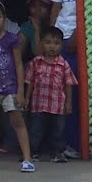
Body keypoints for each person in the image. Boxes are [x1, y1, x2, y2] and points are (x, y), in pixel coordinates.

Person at [48, 0, 82, 158]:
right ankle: (63, 143)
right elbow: (56, 6)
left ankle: (77, 144)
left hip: (76, 37)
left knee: (74, 93)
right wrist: (50, 38)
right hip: (60, 37)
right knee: (58, 92)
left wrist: (79, 33)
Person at [0, 0, 36, 172]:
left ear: (5, 18)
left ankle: (27, 159)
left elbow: (19, 65)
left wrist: (20, 90)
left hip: (10, 88)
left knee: (17, 120)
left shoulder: (11, 40)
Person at [24, 25, 77, 164]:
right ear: (41, 43)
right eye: (47, 43)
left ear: (61, 45)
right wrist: (27, 98)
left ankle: (57, 153)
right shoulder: (35, 63)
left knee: (57, 131)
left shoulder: (63, 64)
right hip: (38, 104)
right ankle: (33, 152)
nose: (51, 47)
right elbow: (30, 81)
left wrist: (69, 103)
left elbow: (68, 84)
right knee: (36, 130)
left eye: (56, 43)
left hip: (57, 105)